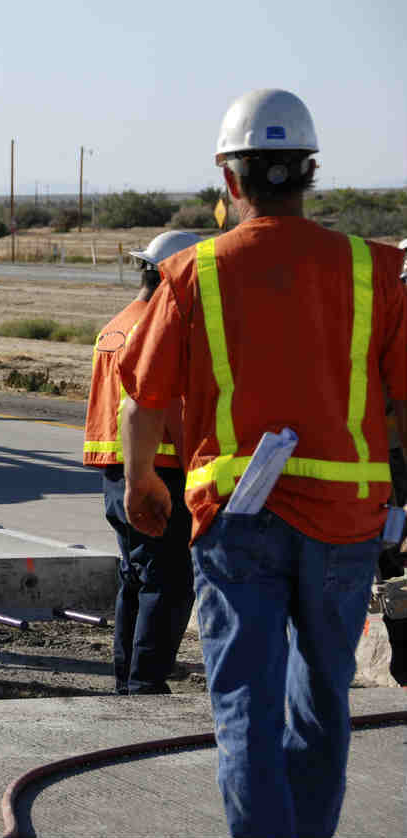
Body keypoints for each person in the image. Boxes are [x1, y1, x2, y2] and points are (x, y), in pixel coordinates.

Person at [118, 89, 407, 837]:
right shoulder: (375, 270)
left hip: (237, 519)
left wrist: (141, 479)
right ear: (309, 172)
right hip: (346, 523)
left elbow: (144, 396)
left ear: (230, 178)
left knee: (247, 702)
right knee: (324, 697)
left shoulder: (194, 273)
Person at [84, 230, 202, 694]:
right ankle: (146, 684)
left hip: (117, 473)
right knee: (169, 582)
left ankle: (128, 681)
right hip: (160, 472)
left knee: (135, 578)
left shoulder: (114, 326)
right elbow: (166, 407)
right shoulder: (158, 331)